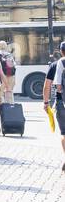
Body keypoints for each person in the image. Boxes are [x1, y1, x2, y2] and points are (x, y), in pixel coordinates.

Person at [44, 41, 65, 173]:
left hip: (61, 102)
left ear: (61, 51)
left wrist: (46, 102)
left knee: (64, 133)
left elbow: (47, 85)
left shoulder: (55, 65)